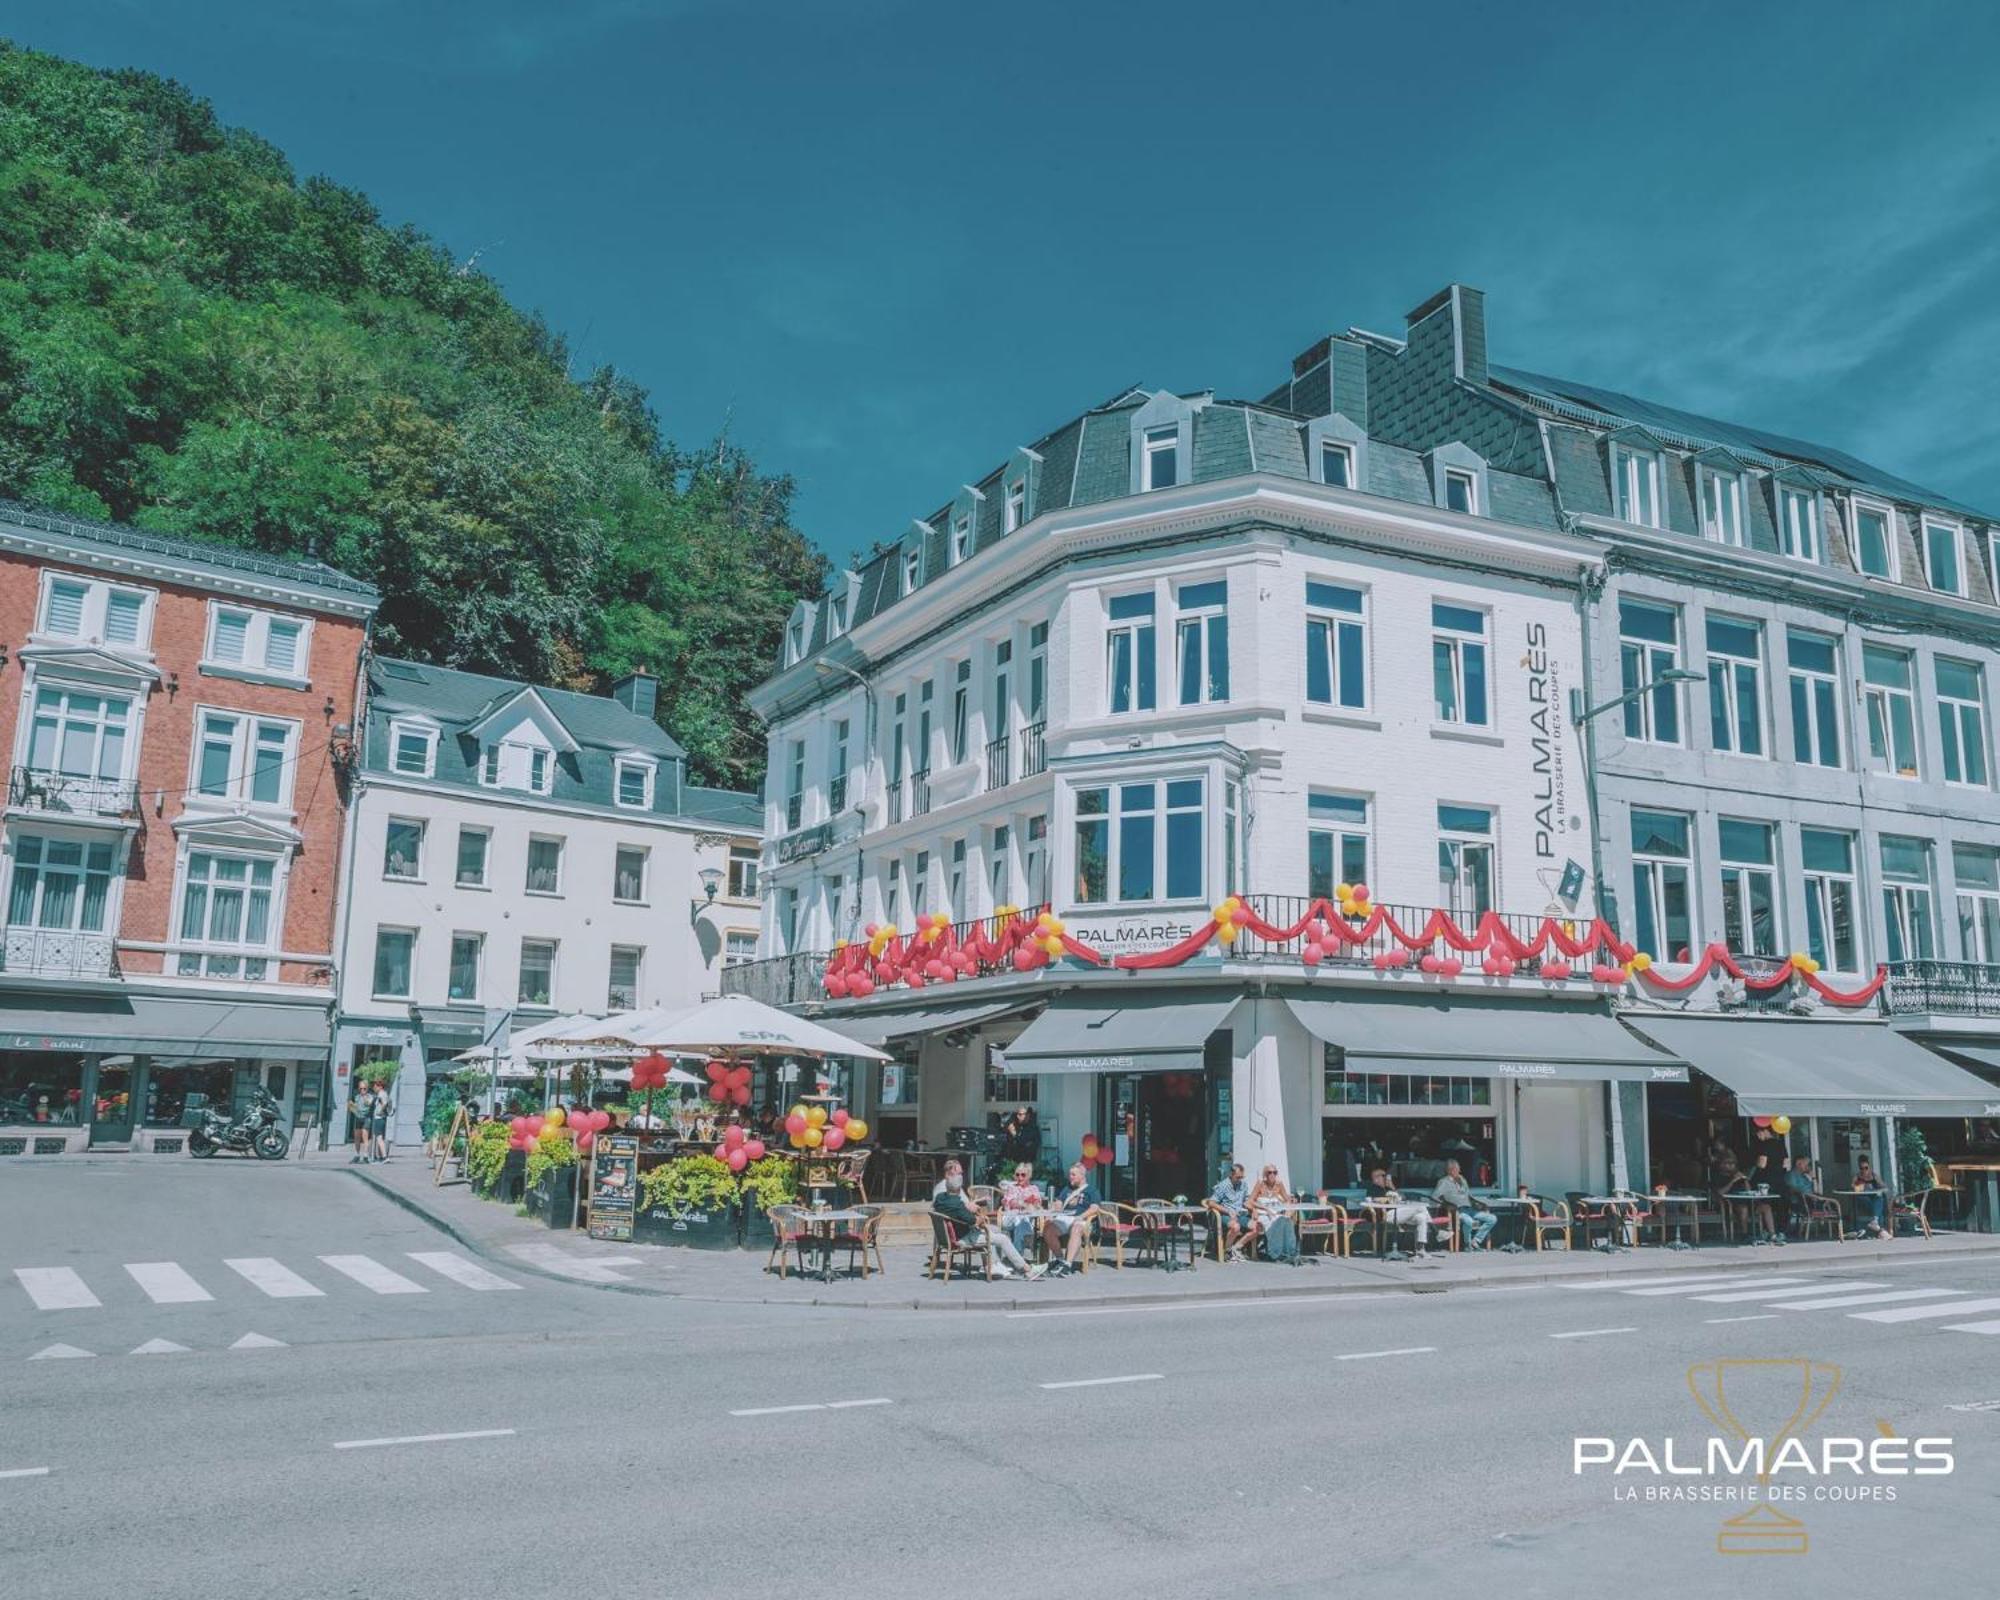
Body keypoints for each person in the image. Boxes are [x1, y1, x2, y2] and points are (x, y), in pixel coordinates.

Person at [934, 1165, 1041, 1279]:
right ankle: (1027, 1270)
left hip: (950, 1237)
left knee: (994, 1229)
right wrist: (979, 1215)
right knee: (1002, 1239)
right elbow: (974, 1221)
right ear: (959, 1188)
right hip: (963, 1238)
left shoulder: (940, 1198)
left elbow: (958, 1211)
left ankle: (993, 1264)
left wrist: (967, 1207)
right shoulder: (957, 1204)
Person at [1365, 1167, 1438, 1264]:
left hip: (1400, 1213)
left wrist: (1392, 1187)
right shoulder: (1372, 1188)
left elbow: (1401, 1197)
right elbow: (1372, 1200)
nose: (1386, 1178)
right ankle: (1436, 1231)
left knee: (1422, 1217)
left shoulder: (1388, 1187)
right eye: (1384, 1176)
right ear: (1376, 1178)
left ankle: (1421, 1249)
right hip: (1387, 1214)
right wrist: (1383, 1199)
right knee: (1420, 1207)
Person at [1041, 1163, 1102, 1277]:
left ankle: (1067, 1265)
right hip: (1065, 1218)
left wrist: (1081, 1216)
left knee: (1076, 1227)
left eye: (1073, 1174)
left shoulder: (1092, 1190)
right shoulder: (1067, 1188)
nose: (1070, 1177)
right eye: (1070, 1174)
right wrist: (1053, 1210)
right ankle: (1060, 1259)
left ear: (1082, 1175)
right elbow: (1059, 1202)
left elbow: (1095, 1208)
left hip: (1083, 1220)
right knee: (1048, 1228)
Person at [1433, 1159, 1497, 1250]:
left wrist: (1479, 1203)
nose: (1459, 1171)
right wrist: (1446, 1205)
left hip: (1470, 1209)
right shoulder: (1443, 1182)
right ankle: (1468, 1244)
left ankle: (1476, 1241)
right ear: (1449, 1170)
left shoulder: (1462, 1179)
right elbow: (1435, 1196)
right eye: (1456, 1169)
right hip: (1458, 1211)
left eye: (1458, 1169)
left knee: (1492, 1218)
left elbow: (1468, 1195)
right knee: (1472, 1223)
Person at [1248, 1166, 1300, 1264]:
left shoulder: (1279, 1184)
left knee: (1287, 1221)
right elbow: (1250, 1200)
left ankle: (1290, 1252)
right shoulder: (1260, 1184)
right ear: (1265, 1174)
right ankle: (1275, 1253)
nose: (1272, 1175)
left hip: (1276, 1213)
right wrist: (1264, 1208)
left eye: (1274, 1172)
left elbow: (1287, 1200)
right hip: (1264, 1214)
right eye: (1269, 1172)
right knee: (1278, 1222)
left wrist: (1290, 1204)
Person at [998, 1162, 1045, 1257]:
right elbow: (1012, 1203)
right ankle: (1029, 1241)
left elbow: (1037, 1204)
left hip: (1025, 1220)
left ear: (1029, 1176)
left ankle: (1017, 1257)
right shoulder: (1012, 1187)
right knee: (1019, 1219)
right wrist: (1026, 1205)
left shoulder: (1034, 1188)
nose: (1020, 1177)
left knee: (1020, 1224)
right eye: (1017, 1175)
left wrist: (1029, 1205)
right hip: (1009, 1218)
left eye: (1023, 1175)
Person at [1210, 1162, 1255, 1260]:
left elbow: (1246, 1201)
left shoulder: (1243, 1184)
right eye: (1238, 1177)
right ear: (1231, 1174)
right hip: (1225, 1215)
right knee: (1235, 1227)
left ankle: (1236, 1248)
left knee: (1257, 1227)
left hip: (1240, 1214)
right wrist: (1227, 1211)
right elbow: (1211, 1202)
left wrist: (1254, 1209)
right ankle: (1227, 1251)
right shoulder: (1223, 1185)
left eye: (1241, 1177)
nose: (1240, 1180)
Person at [1851, 1158, 1889, 1238]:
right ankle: (1877, 1226)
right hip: (1863, 1198)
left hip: (1873, 1197)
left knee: (1880, 1199)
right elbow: (1853, 1188)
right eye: (1862, 1168)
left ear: (1869, 1167)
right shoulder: (1857, 1177)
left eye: (1866, 1168)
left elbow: (1884, 1186)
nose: (1864, 1170)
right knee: (1879, 1209)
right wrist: (1857, 1185)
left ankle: (1875, 1222)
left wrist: (1878, 1182)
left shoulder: (1874, 1176)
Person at [348, 1082, 374, 1163]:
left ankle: (366, 1156)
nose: (362, 1090)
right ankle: (357, 1155)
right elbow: (355, 1107)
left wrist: (365, 1098)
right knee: (357, 1137)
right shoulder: (357, 1097)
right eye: (361, 1088)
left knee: (365, 1137)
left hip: (366, 1118)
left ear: (367, 1089)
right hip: (358, 1118)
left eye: (364, 1088)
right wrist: (351, 1106)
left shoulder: (370, 1096)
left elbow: (369, 1104)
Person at [369, 1078, 392, 1162]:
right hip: (381, 1118)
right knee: (379, 1137)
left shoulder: (381, 1094)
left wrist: (379, 1112)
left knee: (379, 1137)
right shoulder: (383, 1094)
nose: (374, 1088)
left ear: (380, 1086)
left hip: (379, 1118)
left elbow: (384, 1104)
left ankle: (385, 1157)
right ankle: (381, 1156)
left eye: (375, 1086)